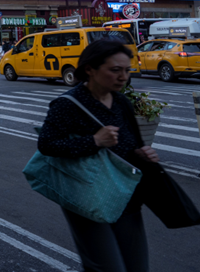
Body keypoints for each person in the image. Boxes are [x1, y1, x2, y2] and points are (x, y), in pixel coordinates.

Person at [37, 39, 160, 272]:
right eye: (115, 70)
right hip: (87, 195)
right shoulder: (67, 104)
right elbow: (47, 145)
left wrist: (142, 153)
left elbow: (131, 144)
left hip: (124, 195)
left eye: (127, 70)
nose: (123, 77)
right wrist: (94, 141)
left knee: (137, 266)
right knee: (107, 267)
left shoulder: (122, 102)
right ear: (90, 69)